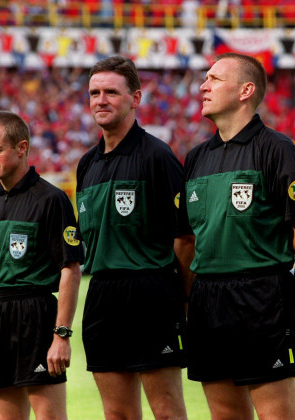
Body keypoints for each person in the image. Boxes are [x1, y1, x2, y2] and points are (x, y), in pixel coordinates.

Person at [176, 52, 295, 420]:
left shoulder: (279, 150)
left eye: (214, 79)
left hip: (262, 295)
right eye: (204, 78)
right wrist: (190, 297)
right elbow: (187, 239)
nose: (203, 85)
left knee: (277, 414)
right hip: (208, 300)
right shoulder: (195, 158)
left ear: (245, 91)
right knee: (224, 415)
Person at [76, 56, 188, 420]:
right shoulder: (86, 164)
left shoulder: (157, 155)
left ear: (135, 98)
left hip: (151, 292)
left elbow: (184, 235)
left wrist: (184, 298)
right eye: (94, 92)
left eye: (111, 92)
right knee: (117, 414)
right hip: (102, 296)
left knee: (167, 411)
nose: (100, 100)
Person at [0, 110, 83, 420]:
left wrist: (61, 335)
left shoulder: (50, 199)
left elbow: (70, 269)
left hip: (35, 316)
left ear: (22, 148)